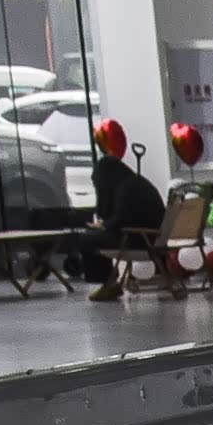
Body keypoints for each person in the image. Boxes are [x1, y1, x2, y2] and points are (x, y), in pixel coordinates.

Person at [79, 119, 166, 298]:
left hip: (139, 240)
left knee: (87, 239)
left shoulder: (123, 190)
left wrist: (103, 226)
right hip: (153, 238)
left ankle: (107, 283)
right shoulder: (136, 183)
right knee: (95, 235)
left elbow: (120, 219)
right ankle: (110, 279)